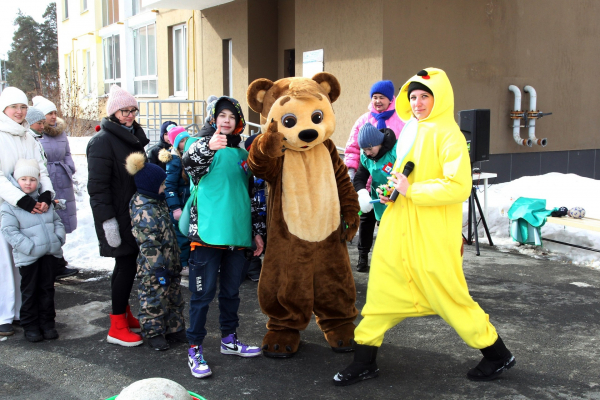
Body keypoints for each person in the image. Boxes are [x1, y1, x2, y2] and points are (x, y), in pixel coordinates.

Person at [333, 68, 515, 386]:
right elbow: (402, 173)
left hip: (431, 234)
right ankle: (364, 361)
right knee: (380, 293)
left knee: (450, 297)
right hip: (397, 228)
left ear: (438, 97)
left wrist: (411, 190)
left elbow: (458, 186)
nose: (417, 103)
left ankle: (498, 355)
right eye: (413, 97)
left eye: (424, 96)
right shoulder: (410, 130)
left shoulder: (450, 135)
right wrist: (390, 191)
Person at [181, 96, 264, 379]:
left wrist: (256, 232)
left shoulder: (243, 156)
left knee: (231, 292)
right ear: (213, 119)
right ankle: (194, 348)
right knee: (202, 295)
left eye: (231, 116)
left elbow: (250, 198)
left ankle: (229, 339)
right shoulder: (198, 144)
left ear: (238, 121)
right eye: (221, 115)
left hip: (238, 236)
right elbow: (190, 166)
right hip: (206, 235)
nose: (226, 120)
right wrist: (207, 146)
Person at [87, 84, 150, 347]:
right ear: (113, 112)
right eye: (124, 110)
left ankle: (123, 313)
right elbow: (98, 188)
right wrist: (107, 222)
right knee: (125, 266)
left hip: (134, 213)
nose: (129, 115)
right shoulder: (102, 141)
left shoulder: (132, 136)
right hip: (117, 216)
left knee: (126, 266)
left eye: (133, 110)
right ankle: (116, 326)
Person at [0, 87, 55, 337]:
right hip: (9, 206)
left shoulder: (28, 136)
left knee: (27, 263)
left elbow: (41, 168)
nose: (20, 112)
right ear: (4, 110)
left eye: (23, 107)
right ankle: (4, 314)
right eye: (14, 107)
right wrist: (19, 199)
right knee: (5, 263)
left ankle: (25, 312)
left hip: (32, 208)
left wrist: (46, 193)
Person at [125, 152, 187, 351]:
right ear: (151, 185)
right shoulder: (143, 208)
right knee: (154, 298)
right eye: (161, 184)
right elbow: (149, 243)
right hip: (154, 267)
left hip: (169, 261)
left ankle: (175, 329)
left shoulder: (156, 202)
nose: (164, 188)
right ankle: (154, 332)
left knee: (173, 296)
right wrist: (158, 267)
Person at [0, 159, 65, 342]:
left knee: (47, 289)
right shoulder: (10, 205)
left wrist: (58, 239)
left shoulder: (45, 202)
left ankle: (47, 323)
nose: (28, 183)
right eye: (23, 179)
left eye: (32, 179)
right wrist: (29, 247)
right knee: (30, 291)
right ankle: (31, 325)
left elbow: (57, 222)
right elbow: (9, 231)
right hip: (29, 257)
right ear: (16, 180)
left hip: (49, 253)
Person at [344, 80, 405, 272]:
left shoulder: (400, 119)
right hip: (370, 182)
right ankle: (363, 255)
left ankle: (392, 260)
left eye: (381, 98)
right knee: (366, 220)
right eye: (374, 97)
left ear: (390, 99)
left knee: (390, 224)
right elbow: (354, 149)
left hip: (392, 183)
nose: (377, 101)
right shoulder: (363, 120)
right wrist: (354, 180)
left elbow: (405, 154)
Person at [33, 96, 79, 279]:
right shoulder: (35, 134)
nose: (53, 116)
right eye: (49, 113)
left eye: (54, 113)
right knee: (47, 222)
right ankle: (53, 264)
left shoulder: (60, 132)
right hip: (45, 181)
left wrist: (69, 167)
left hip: (62, 179)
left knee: (60, 221)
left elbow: (67, 153)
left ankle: (58, 261)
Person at [352, 122, 397, 273]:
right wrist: (362, 194)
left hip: (397, 195)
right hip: (376, 196)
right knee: (367, 220)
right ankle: (363, 257)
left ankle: (393, 263)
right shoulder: (366, 156)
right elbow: (359, 178)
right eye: (364, 150)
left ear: (379, 143)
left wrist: (391, 189)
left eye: (370, 149)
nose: (367, 153)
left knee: (392, 230)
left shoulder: (395, 151)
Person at [158, 126, 191, 277]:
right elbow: (169, 185)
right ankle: (183, 264)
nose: (186, 143)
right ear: (175, 144)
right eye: (182, 141)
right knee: (181, 236)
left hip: (189, 203)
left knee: (190, 235)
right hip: (180, 206)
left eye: (187, 139)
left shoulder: (189, 156)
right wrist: (175, 207)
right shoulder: (175, 160)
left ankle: (189, 262)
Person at [242, 134, 266, 282]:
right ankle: (253, 268)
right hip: (253, 209)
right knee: (252, 239)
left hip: (268, 211)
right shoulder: (247, 169)